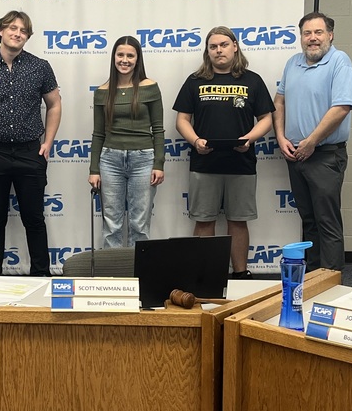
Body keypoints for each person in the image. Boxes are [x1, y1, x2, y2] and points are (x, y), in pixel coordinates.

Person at [0, 10, 62, 276]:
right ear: (0, 31)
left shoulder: (40, 67)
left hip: (31, 152)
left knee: (34, 219)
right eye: (12, 28)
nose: (18, 33)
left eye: (23, 30)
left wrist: (48, 143)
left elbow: (54, 105)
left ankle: (41, 276)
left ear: (27, 37)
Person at [174, 27, 273, 278]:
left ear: (235, 46)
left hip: (241, 162)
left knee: (238, 221)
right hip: (204, 163)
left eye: (224, 45)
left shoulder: (252, 80)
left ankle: (241, 274)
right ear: (207, 51)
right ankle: (206, 275)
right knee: (204, 221)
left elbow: (266, 119)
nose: (219, 50)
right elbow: (182, 120)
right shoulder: (195, 81)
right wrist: (195, 141)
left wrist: (249, 139)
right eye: (213, 46)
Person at [273, 11, 352, 272]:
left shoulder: (339, 62)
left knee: (327, 222)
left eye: (318, 32)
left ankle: (331, 284)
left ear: (330, 35)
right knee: (309, 221)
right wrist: (280, 137)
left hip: (324, 155)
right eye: (307, 33)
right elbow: (280, 102)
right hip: (295, 155)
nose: (312, 38)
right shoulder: (293, 63)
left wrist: (311, 141)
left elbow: (342, 107)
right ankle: (314, 279)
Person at [88, 36, 164, 248]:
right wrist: (94, 169)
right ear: (113, 58)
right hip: (110, 160)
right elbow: (98, 134)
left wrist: (159, 163)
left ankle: (138, 273)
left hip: (144, 159)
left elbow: (158, 129)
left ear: (137, 59)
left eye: (130, 55)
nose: (125, 60)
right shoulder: (103, 91)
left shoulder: (150, 87)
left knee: (139, 223)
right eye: (120, 55)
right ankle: (112, 274)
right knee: (111, 223)